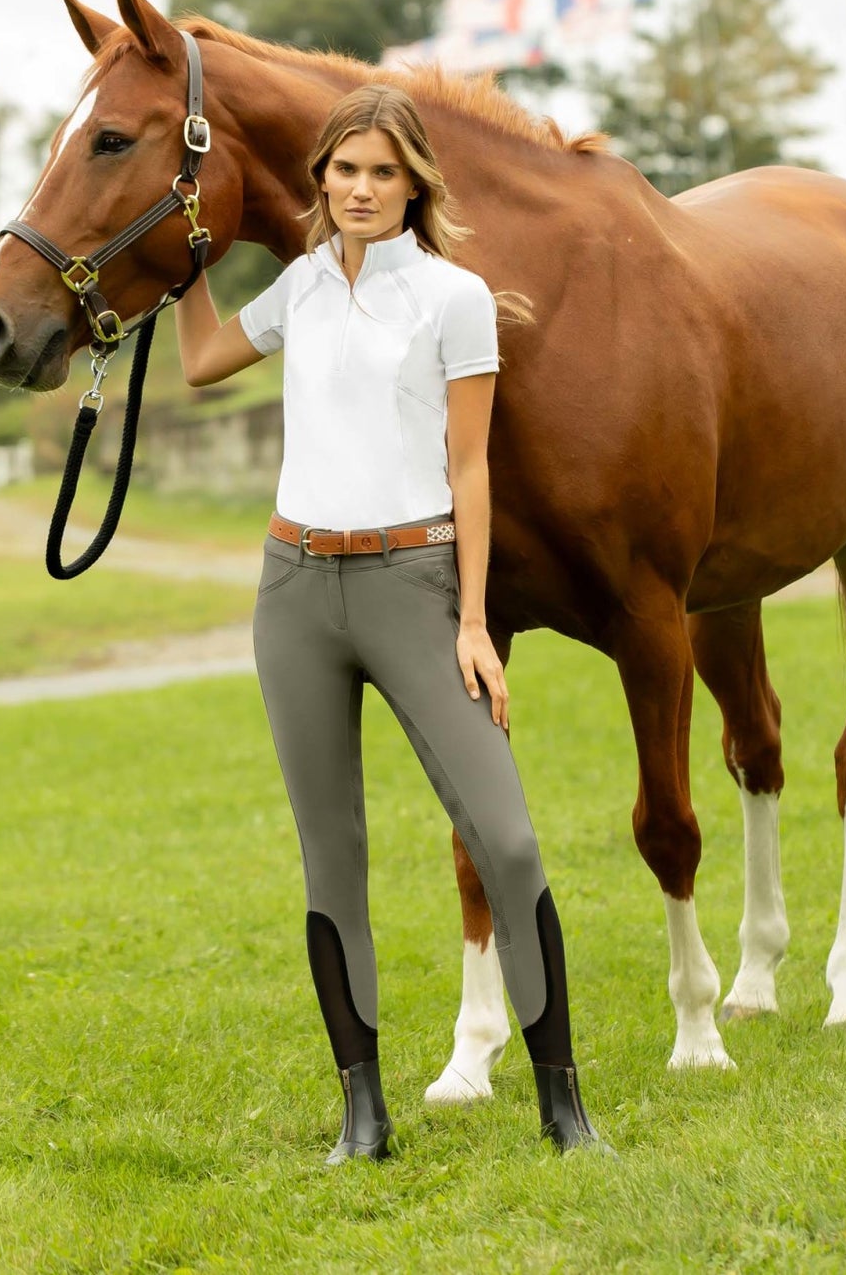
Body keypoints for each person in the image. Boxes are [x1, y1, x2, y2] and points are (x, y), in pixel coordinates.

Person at [172, 83, 608, 1163]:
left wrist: (471, 619)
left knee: (505, 839)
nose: (359, 189)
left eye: (381, 172)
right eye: (343, 170)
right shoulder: (297, 290)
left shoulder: (454, 297)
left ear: (414, 183)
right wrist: (184, 264)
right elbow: (199, 362)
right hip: (294, 592)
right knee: (333, 858)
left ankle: (563, 1103)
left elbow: (470, 465)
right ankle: (361, 1111)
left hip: (414, 583)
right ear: (318, 179)